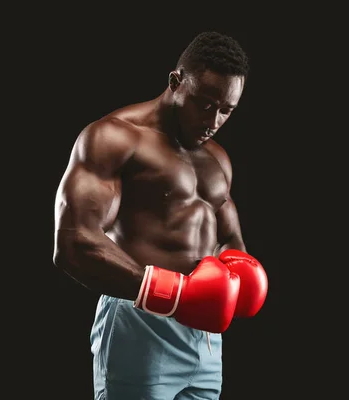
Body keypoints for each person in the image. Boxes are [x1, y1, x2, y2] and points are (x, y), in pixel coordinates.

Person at [52, 31, 268, 400]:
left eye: (226, 110)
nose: (213, 119)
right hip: (141, 324)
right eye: (204, 103)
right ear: (176, 81)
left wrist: (240, 274)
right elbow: (74, 241)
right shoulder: (114, 138)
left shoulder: (217, 159)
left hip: (205, 336)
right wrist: (173, 294)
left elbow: (229, 240)